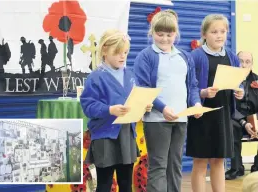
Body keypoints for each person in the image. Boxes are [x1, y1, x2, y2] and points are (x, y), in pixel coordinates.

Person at [133, 11, 202, 192]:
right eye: (160, 34)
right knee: (158, 167)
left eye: (169, 34)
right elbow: (144, 88)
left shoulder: (185, 57)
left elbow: (192, 86)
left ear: (176, 33)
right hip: (157, 120)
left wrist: (196, 103)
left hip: (180, 119)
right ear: (152, 32)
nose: (164, 39)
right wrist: (163, 108)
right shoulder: (145, 56)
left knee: (175, 165)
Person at [80, 29, 153, 192]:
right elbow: (88, 106)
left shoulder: (130, 75)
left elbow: (134, 99)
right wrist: (109, 110)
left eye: (125, 53)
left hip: (126, 135)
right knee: (105, 184)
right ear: (104, 50)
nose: (122, 57)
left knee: (126, 183)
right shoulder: (96, 77)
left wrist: (143, 107)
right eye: (118, 52)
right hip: (105, 137)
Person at [185, 14, 245, 192]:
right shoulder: (195, 56)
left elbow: (236, 81)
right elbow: (190, 86)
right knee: (201, 161)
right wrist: (203, 93)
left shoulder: (232, 57)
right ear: (204, 34)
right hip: (201, 114)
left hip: (223, 114)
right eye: (214, 32)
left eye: (223, 31)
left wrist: (239, 90)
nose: (219, 35)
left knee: (219, 160)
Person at [225, 51, 258, 180]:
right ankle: (236, 168)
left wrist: (255, 122)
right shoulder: (229, 82)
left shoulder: (257, 80)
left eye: (247, 62)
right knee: (232, 127)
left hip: (254, 117)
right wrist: (245, 122)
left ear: (252, 64)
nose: (244, 65)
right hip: (236, 118)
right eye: (241, 61)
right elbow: (228, 106)